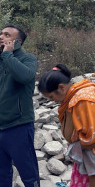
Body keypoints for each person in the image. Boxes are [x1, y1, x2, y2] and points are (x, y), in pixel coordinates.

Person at [38, 64, 95, 187]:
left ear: (61, 88)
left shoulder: (83, 100)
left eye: (51, 96)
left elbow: (94, 133)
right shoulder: (70, 98)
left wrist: (75, 146)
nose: (52, 100)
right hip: (90, 156)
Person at [0, 24, 40, 187]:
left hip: (19, 126)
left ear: (18, 41)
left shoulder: (28, 59)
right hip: (0, 128)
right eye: (1, 34)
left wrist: (8, 56)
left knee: (29, 175)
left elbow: (25, 76)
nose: (1, 37)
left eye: (7, 35)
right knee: (2, 176)